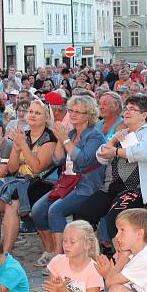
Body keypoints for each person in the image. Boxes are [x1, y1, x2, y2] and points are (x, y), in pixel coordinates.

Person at [75, 95, 147, 249]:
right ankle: (94, 254)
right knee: (82, 214)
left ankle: (122, 260)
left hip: (137, 190)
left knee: (115, 219)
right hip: (110, 189)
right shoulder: (122, 133)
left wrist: (115, 151)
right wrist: (113, 141)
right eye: (126, 109)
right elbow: (100, 156)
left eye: (133, 109)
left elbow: (143, 153)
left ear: (144, 115)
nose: (127, 112)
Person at [31, 95, 105, 257]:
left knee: (55, 210)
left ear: (89, 115)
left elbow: (83, 160)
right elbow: (57, 159)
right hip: (66, 183)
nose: (72, 114)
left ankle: (60, 256)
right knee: (37, 210)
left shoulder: (95, 136)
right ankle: (50, 250)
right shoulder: (70, 134)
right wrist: (60, 139)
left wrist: (64, 139)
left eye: (78, 112)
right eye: (71, 110)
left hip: (87, 185)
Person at [0, 99, 57, 255]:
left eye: (38, 113)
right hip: (19, 181)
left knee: (12, 204)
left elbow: (37, 168)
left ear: (46, 117)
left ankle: (6, 253)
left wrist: (22, 145)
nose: (33, 115)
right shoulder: (24, 135)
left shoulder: (49, 138)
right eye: (31, 112)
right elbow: (12, 168)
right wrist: (16, 148)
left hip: (43, 182)